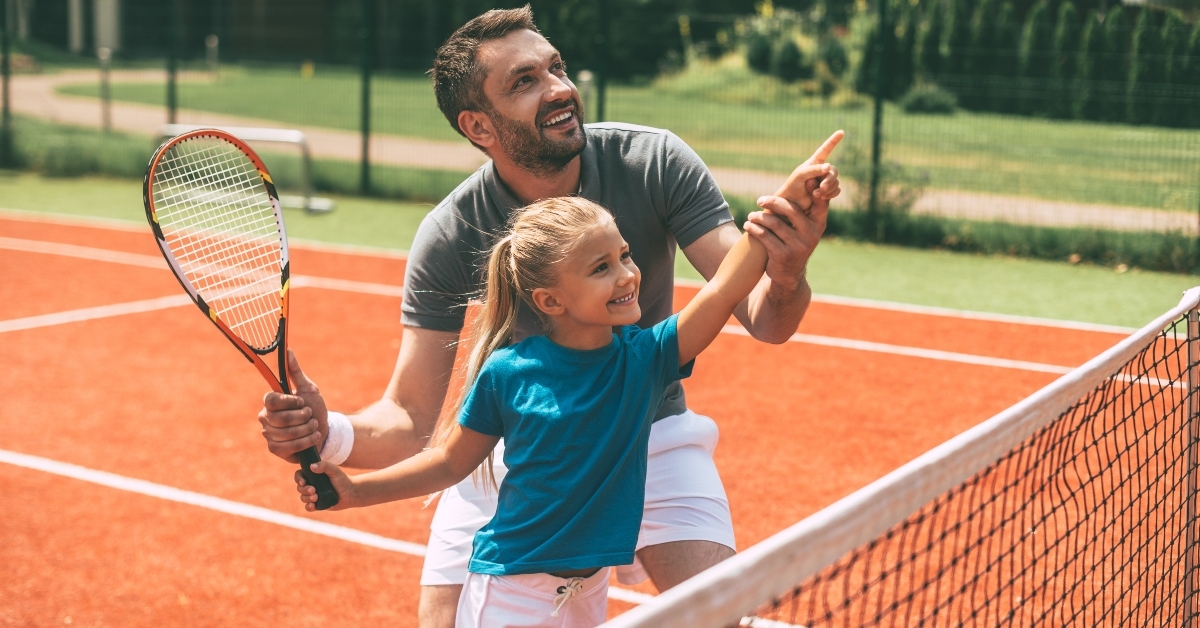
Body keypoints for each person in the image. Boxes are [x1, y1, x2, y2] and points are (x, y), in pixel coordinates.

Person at [258, 6, 842, 627]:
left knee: (716, 614)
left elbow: (761, 315)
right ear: (478, 125)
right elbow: (411, 419)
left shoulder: (654, 161)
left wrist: (786, 269)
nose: (560, 89)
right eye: (524, 81)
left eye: (555, 67)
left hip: (653, 429)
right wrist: (331, 435)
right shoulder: (450, 234)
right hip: (518, 451)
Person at [296, 190, 823, 626]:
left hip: (587, 592)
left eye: (625, 255)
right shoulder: (507, 373)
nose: (626, 275)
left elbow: (724, 288)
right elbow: (450, 463)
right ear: (550, 300)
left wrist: (775, 219)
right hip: (510, 594)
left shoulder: (647, 357)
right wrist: (357, 491)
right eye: (601, 267)